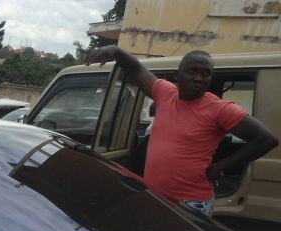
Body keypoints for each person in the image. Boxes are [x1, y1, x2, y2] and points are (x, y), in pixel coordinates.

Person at [86, 46, 278, 216]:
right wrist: (116, 51)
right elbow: (136, 68)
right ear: (178, 75)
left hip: (192, 203)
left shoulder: (220, 109)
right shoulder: (165, 93)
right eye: (192, 71)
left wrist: (219, 167)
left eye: (206, 74)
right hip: (156, 195)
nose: (198, 78)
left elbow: (265, 140)